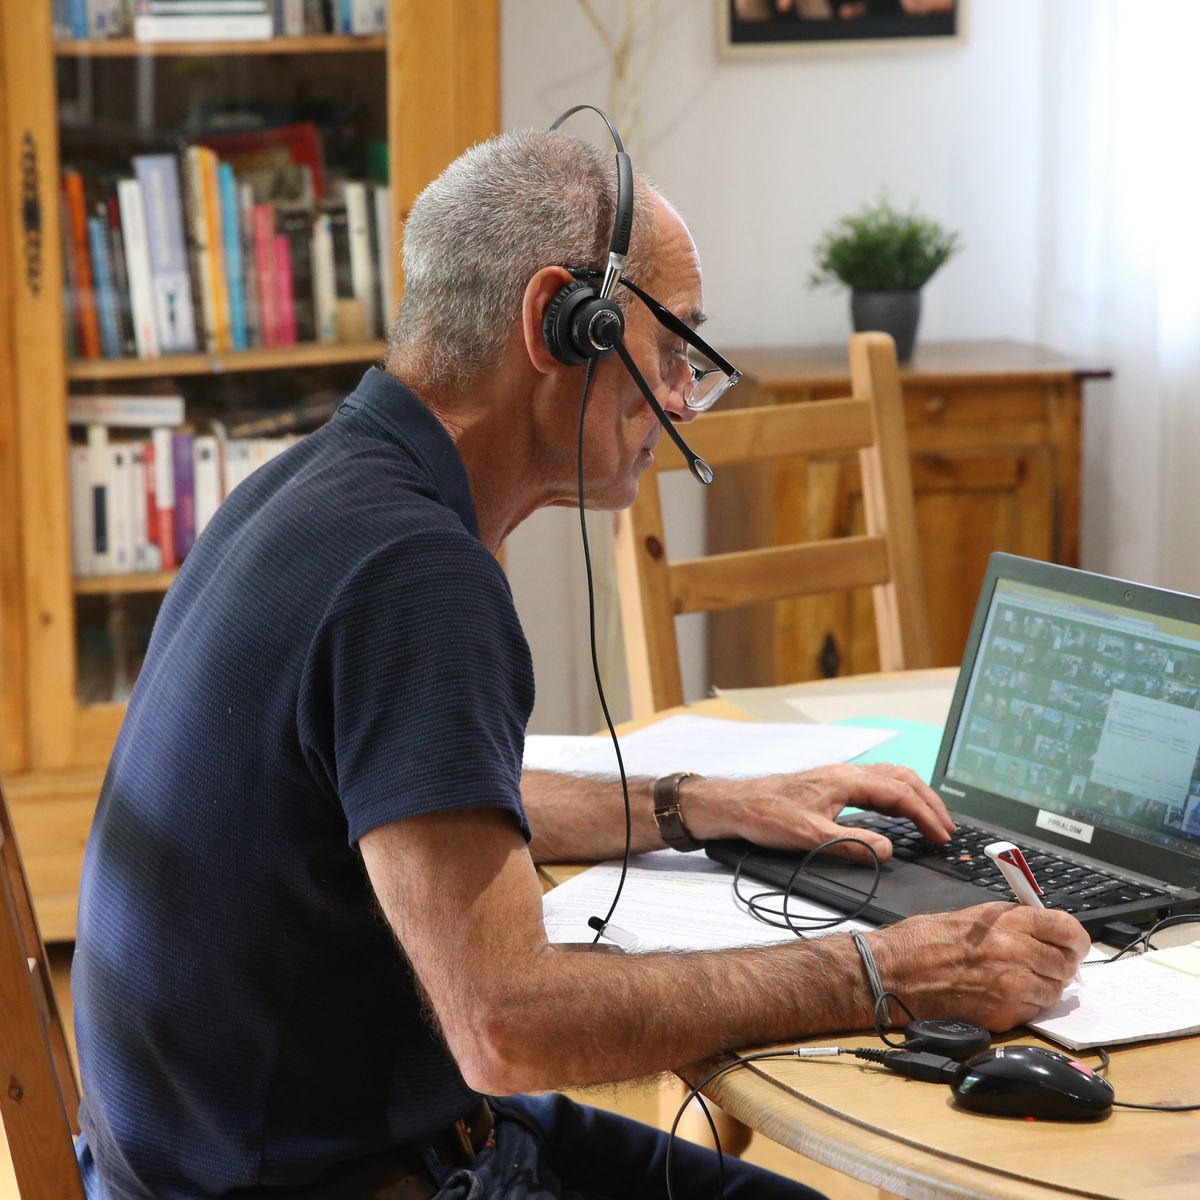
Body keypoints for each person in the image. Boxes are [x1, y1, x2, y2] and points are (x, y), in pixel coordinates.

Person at [71, 126, 1089, 1200]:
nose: (685, 400)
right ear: (560, 322)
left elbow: (426, 802)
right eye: (672, 348)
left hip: (200, 1163)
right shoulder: (418, 577)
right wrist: (886, 973)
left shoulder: (319, 488)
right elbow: (506, 1027)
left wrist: (697, 802)